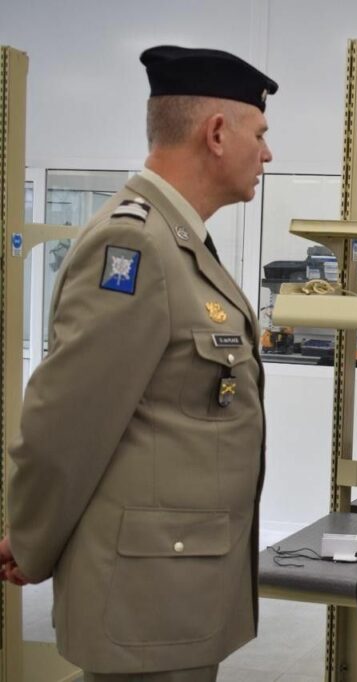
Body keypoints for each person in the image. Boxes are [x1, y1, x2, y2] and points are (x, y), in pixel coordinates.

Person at [0, 45, 276, 681]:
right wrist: (33, 539)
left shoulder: (178, 242)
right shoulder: (135, 243)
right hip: (147, 600)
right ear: (216, 134)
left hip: (175, 590)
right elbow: (66, 424)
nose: (267, 153)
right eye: (259, 134)